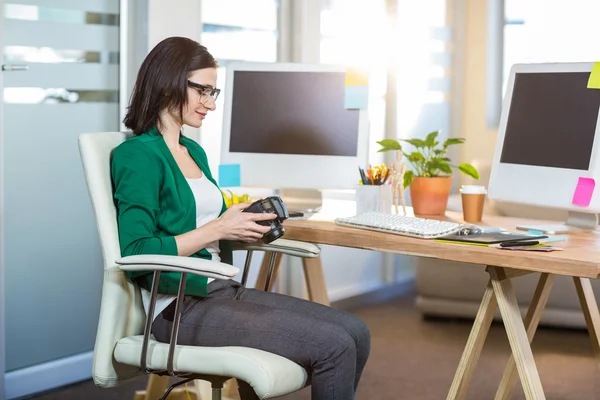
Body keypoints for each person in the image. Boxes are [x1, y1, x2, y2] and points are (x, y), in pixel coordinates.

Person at [111, 36, 370, 400]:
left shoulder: (193, 151)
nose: (210, 105)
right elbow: (137, 253)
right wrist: (217, 227)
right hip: (177, 309)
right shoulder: (136, 156)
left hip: (220, 292)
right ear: (168, 81)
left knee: (356, 331)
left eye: (213, 93)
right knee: (334, 346)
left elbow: (207, 230)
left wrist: (243, 227)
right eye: (203, 91)